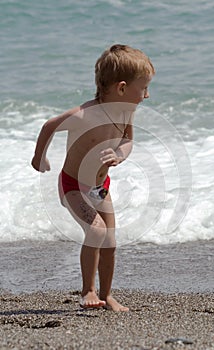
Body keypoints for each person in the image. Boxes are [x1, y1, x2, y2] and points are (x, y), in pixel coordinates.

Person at [31, 44, 155, 311]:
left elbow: (128, 140)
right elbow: (49, 125)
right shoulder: (84, 115)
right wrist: (39, 158)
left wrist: (120, 155)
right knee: (96, 231)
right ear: (122, 88)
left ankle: (107, 295)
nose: (147, 95)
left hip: (100, 186)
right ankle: (88, 290)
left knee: (110, 239)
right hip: (73, 185)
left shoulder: (126, 112)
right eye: (143, 88)